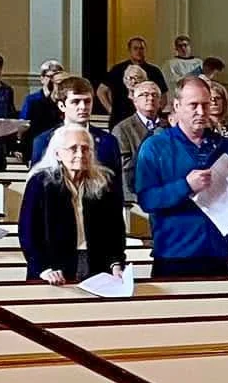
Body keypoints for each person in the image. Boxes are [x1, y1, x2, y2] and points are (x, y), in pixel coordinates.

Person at [134, 76, 228, 279]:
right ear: (177, 106)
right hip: (174, 254)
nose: (201, 112)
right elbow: (147, 200)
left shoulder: (227, 147)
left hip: (217, 253)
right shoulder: (155, 146)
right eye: (193, 105)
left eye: (206, 104)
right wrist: (185, 185)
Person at [18, 124, 128, 285]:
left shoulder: (104, 182)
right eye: (73, 148)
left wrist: (116, 264)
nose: (80, 154)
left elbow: (116, 229)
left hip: (96, 263)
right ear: (57, 153)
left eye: (85, 149)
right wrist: (44, 268)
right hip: (52, 268)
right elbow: (28, 231)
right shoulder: (41, 182)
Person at [31, 76, 122, 174]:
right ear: (62, 106)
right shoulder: (44, 141)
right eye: (75, 102)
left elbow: (115, 184)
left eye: (87, 101)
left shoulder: (108, 141)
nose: (83, 107)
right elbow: (36, 182)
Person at [111, 78, 166, 203]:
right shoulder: (122, 129)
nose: (150, 98)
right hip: (135, 197)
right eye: (144, 95)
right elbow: (123, 167)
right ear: (135, 101)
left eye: (154, 95)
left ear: (160, 101)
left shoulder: (169, 127)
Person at [98, 37, 167, 120]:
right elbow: (101, 91)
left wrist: (154, 112)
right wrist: (111, 110)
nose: (139, 51)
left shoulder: (154, 71)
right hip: (120, 118)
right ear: (129, 50)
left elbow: (163, 97)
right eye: (135, 48)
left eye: (141, 48)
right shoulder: (117, 70)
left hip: (147, 120)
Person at [20, 61, 66, 156]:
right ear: (42, 78)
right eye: (50, 76)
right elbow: (24, 124)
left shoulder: (65, 100)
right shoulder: (32, 100)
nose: (53, 81)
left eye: (56, 77)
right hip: (36, 147)